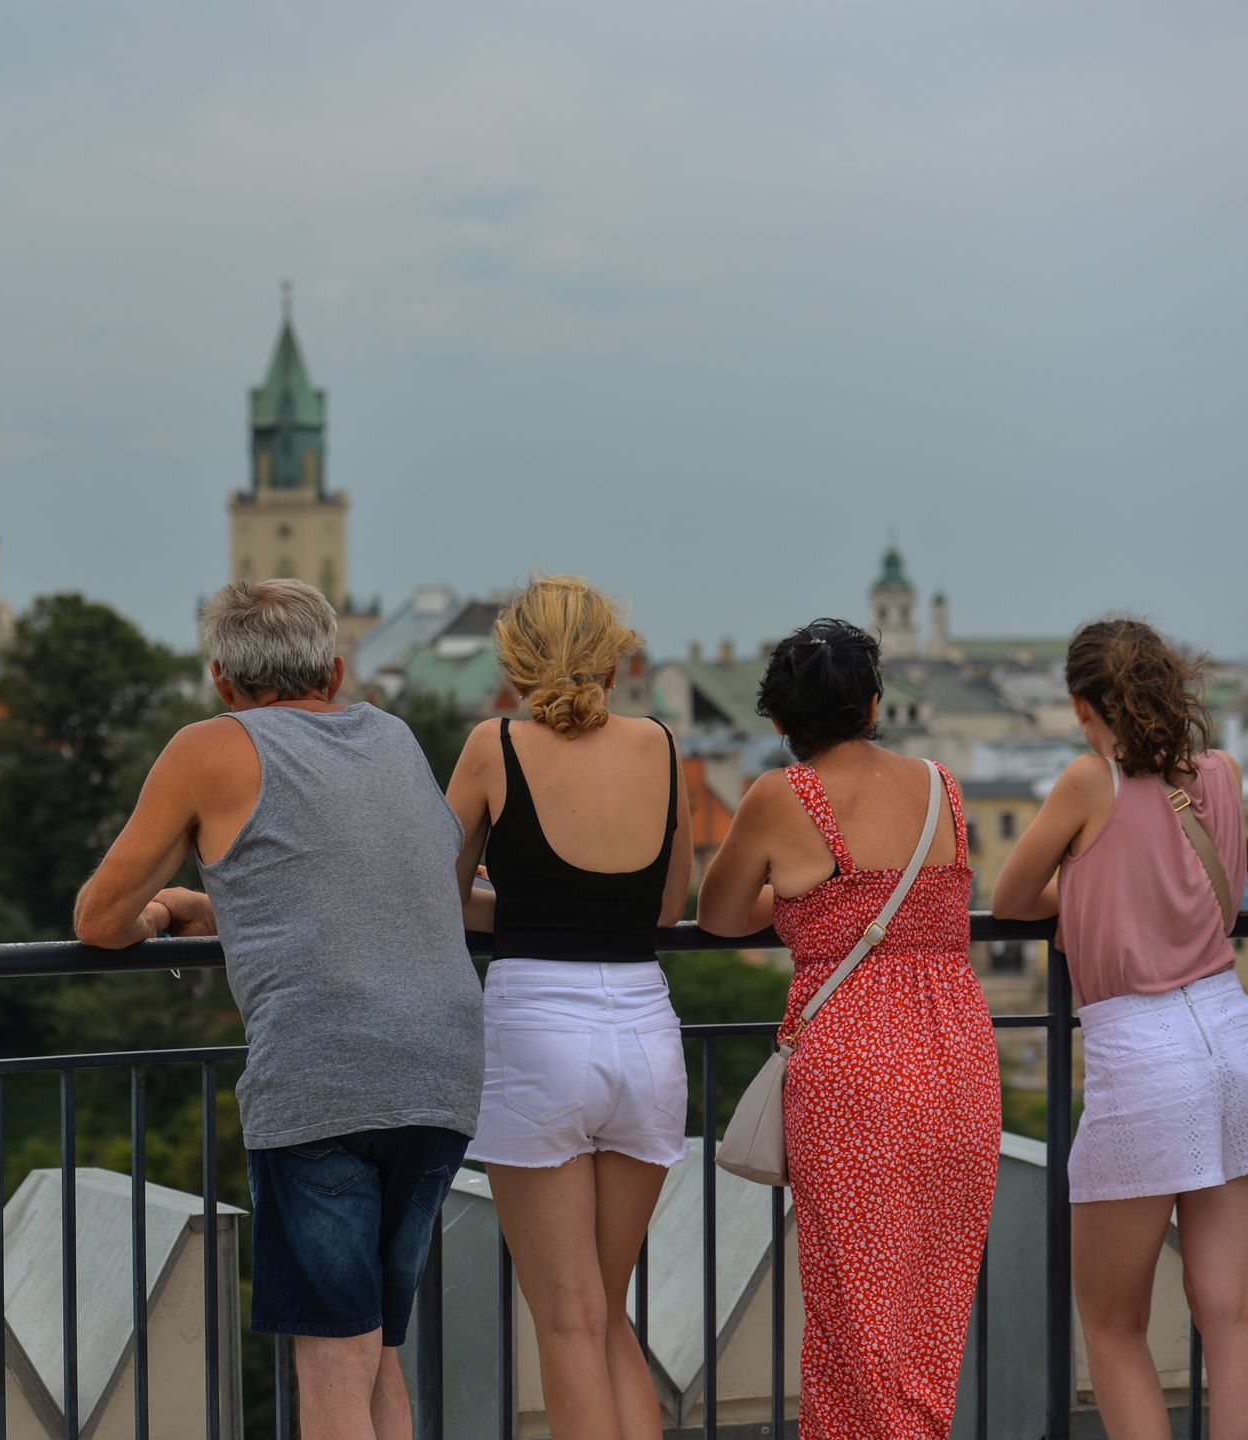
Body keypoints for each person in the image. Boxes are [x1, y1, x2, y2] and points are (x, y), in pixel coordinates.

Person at [74, 578, 482, 1440]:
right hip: (441, 1068)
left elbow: (99, 919)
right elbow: (364, 892)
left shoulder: (209, 747)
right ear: (335, 669)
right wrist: (223, 909)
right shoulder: (395, 739)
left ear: (224, 681)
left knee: (330, 1357)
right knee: (376, 1345)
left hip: (323, 1076)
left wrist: (162, 911)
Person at [698, 618, 997, 1440]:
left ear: (781, 720)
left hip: (854, 1068)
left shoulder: (782, 796)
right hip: (959, 1059)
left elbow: (720, 914)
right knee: (929, 1312)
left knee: (849, 1315)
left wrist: (804, 910)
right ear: (873, 702)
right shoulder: (943, 784)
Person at [442, 575, 690, 1440]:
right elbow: (665, 907)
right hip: (647, 1034)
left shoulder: (492, 745)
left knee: (568, 1321)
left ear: (515, 663)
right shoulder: (660, 743)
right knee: (606, 1311)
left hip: (537, 1032)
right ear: (614, 659)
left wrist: (511, 904)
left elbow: (434, 894)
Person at [993, 618, 1246, 1440]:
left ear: (1080, 705)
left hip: (1141, 1053)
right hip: (1229, 1030)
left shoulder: (1086, 783)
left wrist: (1089, 902)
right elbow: (1222, 903)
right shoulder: (1221, 774)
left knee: (1112, 1325)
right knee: (1231, 1316)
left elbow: (1011, 900)